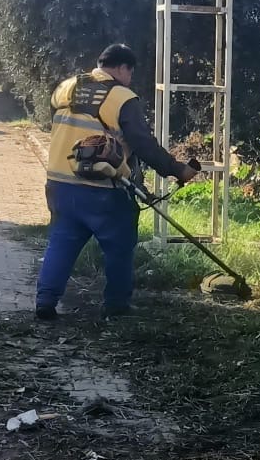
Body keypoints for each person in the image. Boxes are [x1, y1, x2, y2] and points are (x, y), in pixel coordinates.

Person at [34, 43, 198, 320]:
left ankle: (45, 302)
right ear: (122, 68)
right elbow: (143, 143)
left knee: (61, 242)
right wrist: (177, 170)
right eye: (130, 73)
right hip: (103, 188)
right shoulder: (122, 97)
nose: (129, 79)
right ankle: (116, 305)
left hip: (60, 185)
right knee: (119, 246)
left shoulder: (65, 88)